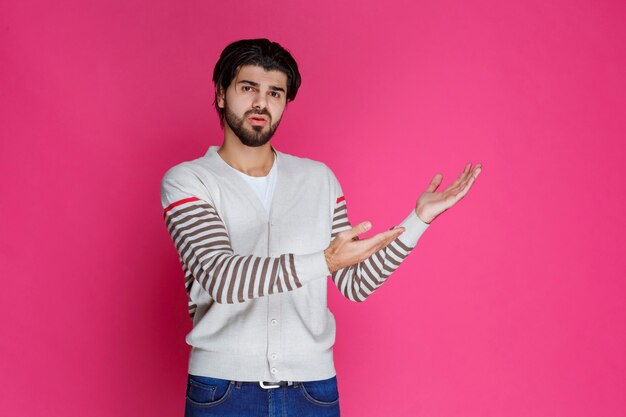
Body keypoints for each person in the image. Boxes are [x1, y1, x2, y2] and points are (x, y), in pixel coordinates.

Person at [160, 38, 482, 417]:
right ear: (220, 94)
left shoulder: (318, 179)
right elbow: (222, 276)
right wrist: (324, 261)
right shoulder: (189, 180)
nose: (261, 103)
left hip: (313, 391)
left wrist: (418, 221)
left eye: (275, 93)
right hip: (222, 392)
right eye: (248, 88)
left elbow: (355, 282)